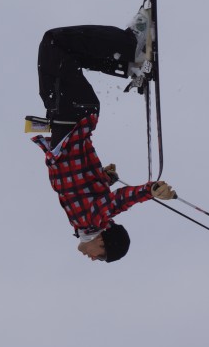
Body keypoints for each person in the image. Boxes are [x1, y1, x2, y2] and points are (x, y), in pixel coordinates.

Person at [32, 17, 175, 263]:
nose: (94, 259)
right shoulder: (94, 220)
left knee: (65, 53)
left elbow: (79, 186)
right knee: (53, 43)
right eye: (101, 256)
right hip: (72, 114)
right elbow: (117, 201)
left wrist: (103, 179)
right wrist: (149, 191)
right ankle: (131, 47)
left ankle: (130, 62)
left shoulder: (81, 222)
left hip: (63, 116)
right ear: (103, 240)